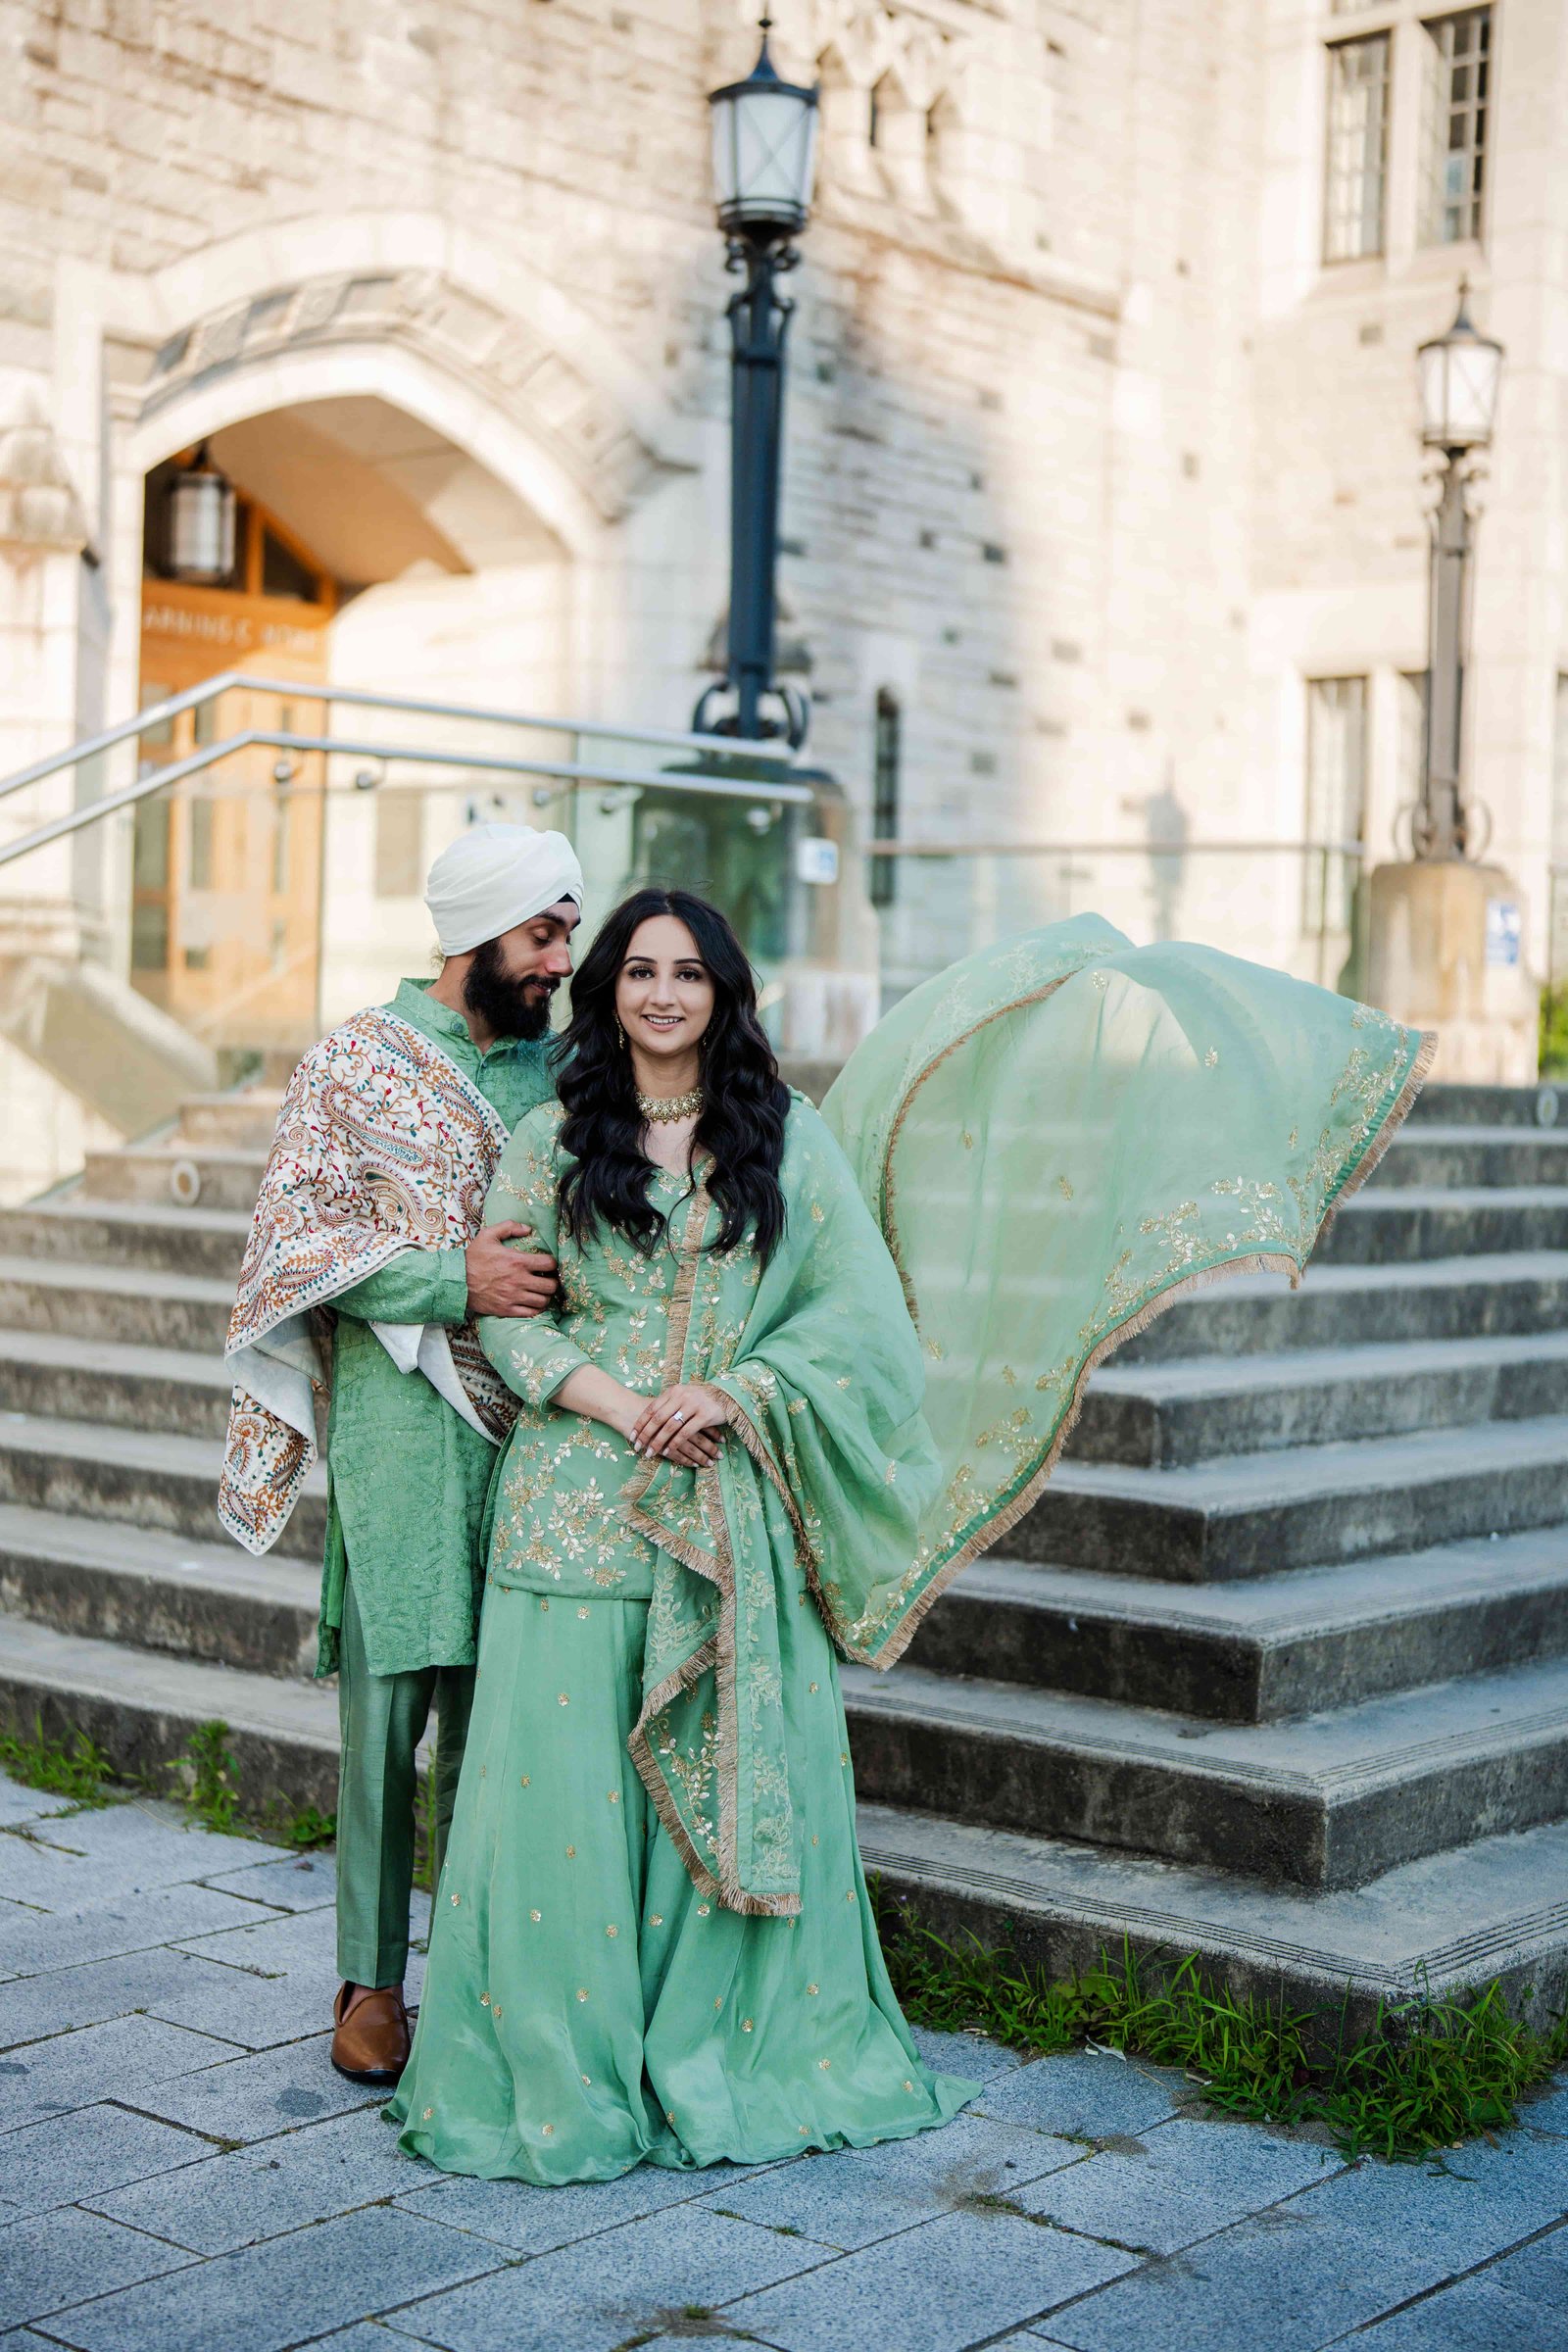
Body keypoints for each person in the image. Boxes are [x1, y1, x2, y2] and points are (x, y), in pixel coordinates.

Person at [390, 891, 1433, 2185]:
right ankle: (568, 2063)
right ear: (606, 991)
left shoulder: (783, 1139)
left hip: (730, 1503)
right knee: (564, 1813)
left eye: (690, 973)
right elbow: (510, 1315)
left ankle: (707, 2047)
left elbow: (861, 1323)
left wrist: (737, 1392)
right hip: (572, 1516)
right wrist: (621, 1405)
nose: (662, 994)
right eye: (640, 972)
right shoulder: (550, 1140)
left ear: (723, 994)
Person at [219, 822, 583, 2087]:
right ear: (475, 934)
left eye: (568, 933)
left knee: (505, 1712)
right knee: (388, 1719)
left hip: (545, 1427)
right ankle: (370, 1982)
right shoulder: (356, 1066)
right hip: (403, 1428)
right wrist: (451, 1278)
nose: (561, 960)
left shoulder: (566, 1073)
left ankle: (478, 1970)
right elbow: (290, 1249)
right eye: (542, 934)